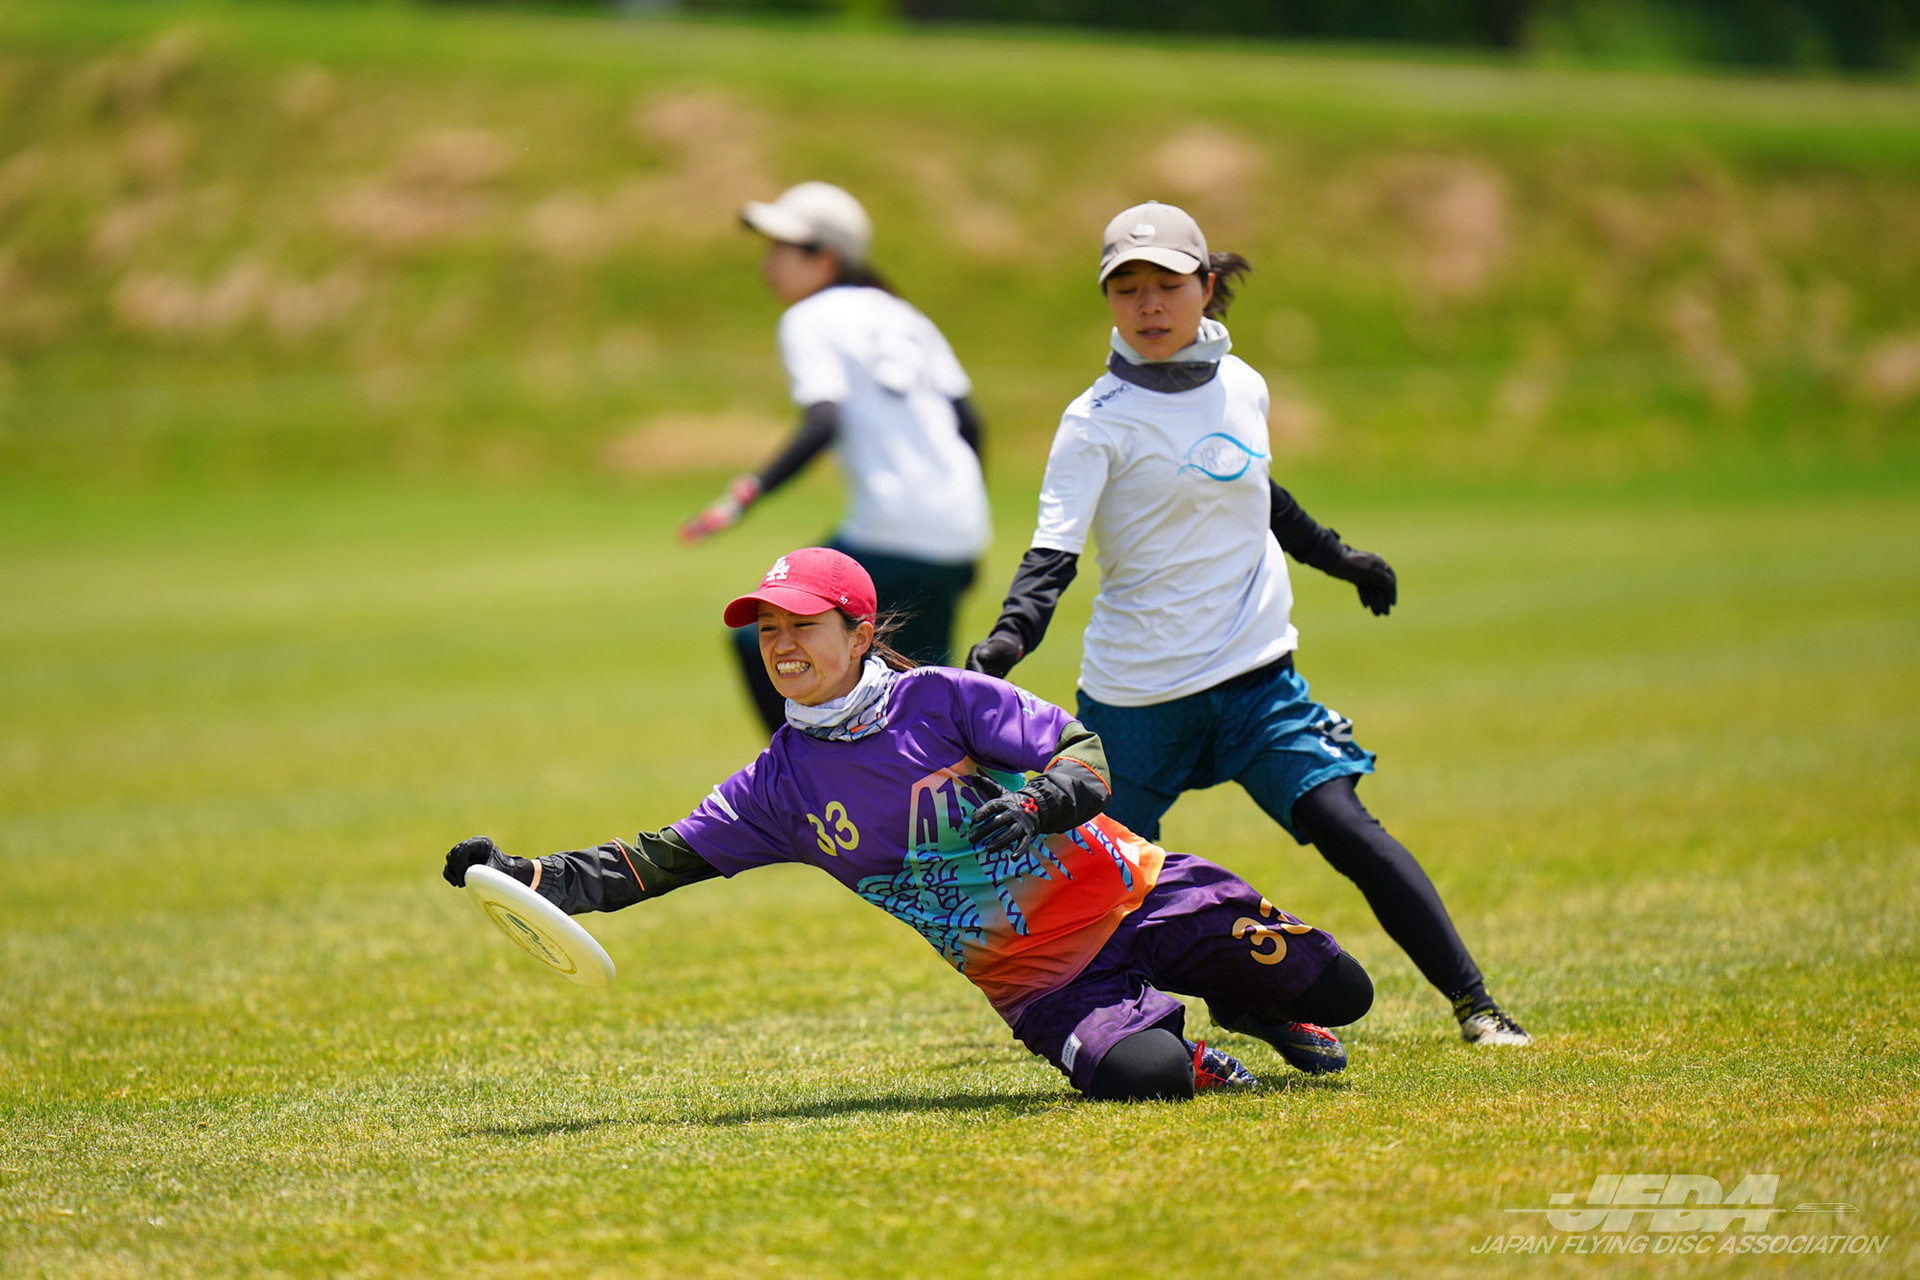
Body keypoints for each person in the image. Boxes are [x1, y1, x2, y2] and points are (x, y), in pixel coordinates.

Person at [443, 548, 1374, 1101]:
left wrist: (1040, 803)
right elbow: (650, 862)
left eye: (802, 625)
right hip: (1036, 977)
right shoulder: (777, 787)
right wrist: (521, 877)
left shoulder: (943, 698)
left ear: (859, 634)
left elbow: (1084, 752)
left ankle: (1255, 1001)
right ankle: (1192, 1045)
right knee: (1149, 1078)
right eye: (767, 631)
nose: (781, 646)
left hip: (1139, 894)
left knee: (1345, 993)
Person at [965, 202, 1530, 1047]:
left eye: (1167, 285)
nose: (1149, 305)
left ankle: (1476, 1006)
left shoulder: (1243, 385)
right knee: (1102, 884)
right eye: (1127, 289)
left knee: (1346, 826)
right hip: (1139, 699)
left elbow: (1253, 490)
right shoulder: (1095, 420)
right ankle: (1220, 1005)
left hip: (1255, 679)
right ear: (1108, 300)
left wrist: (1339, 557)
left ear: (1206, 286)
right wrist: (1011, 638)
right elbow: (1054, 552)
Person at [679, 181, 990, 734]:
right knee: (923, 697)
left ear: (824, 259)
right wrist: (966, 532)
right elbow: (970, 424)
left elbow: (824, 420)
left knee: (760, 641)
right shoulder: (904, 315)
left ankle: (804, 774)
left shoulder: (810, 317)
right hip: (957, 530)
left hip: (888, 527)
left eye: (781, 249)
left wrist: (743, 496)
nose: (767, 264)